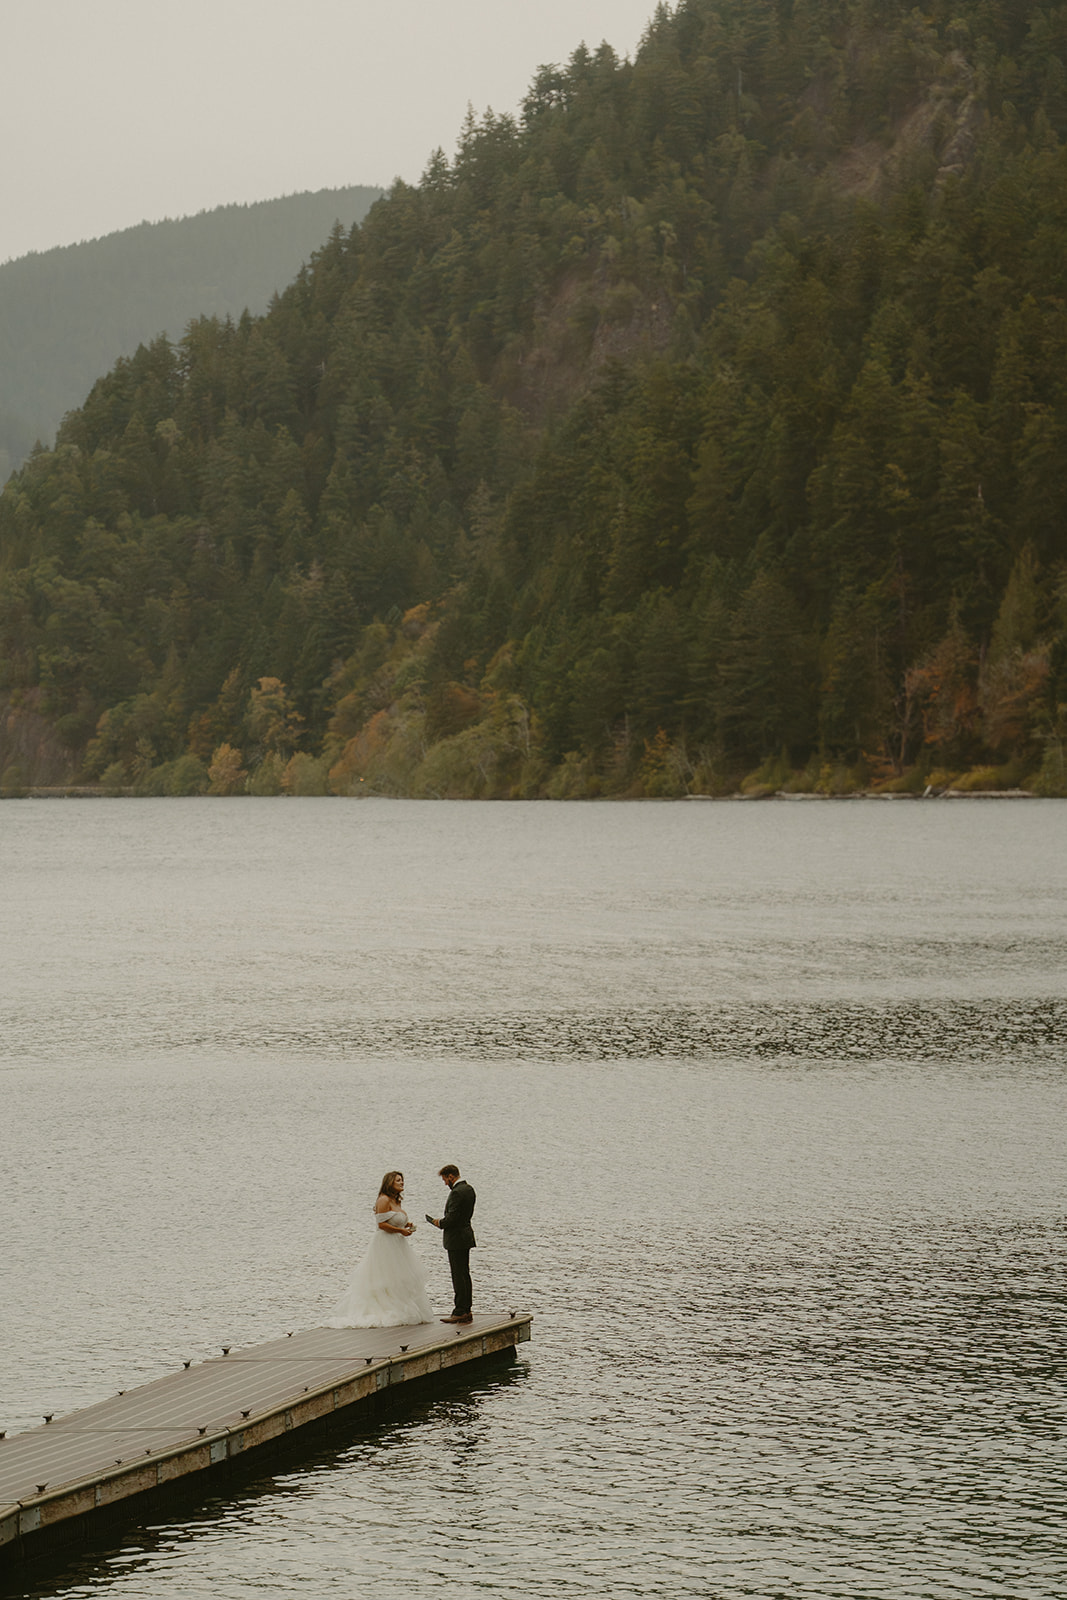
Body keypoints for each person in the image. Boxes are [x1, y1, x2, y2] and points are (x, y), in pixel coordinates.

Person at [326, 1169, 433, 1328]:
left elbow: (394, 1220)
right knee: (386, 1276)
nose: (402, 1183)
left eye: (402, 1180)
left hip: (398, 1244)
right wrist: (400, 1230)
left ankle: (401, 1306)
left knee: (399, 1277)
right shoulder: (383, 1200)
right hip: (385, 1244)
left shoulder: (396, 1201)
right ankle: (385, 1307)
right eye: (398, 1180)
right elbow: (381, 1225)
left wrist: (406, 1225)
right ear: (390, 1182)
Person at [427, 1164, 476, 1324]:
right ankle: (467, 1309)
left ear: (450, 1176)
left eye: (444, 1179)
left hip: (456, 1239)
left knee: (457, 1275)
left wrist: (439, 1222)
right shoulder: (469, 1189)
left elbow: (452, 1218)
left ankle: (460, 1310)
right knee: (465, 1274)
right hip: (466, 1236)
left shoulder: (456, 1193)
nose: (445, 1183)